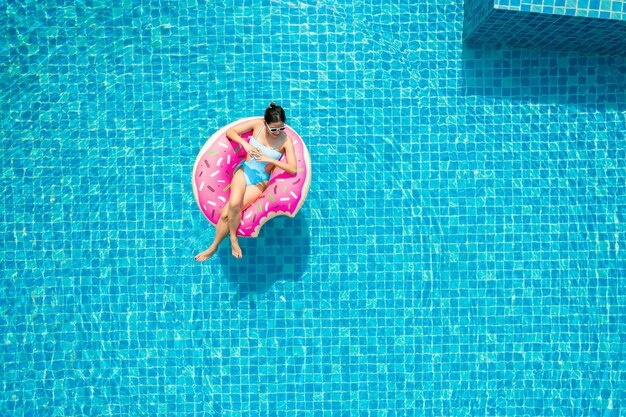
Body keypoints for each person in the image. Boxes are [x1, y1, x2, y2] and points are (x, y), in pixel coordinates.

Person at [195, 102, 297, 261]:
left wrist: (270, 159)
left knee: (225, 213)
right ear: (265, 123)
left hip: (260, 181)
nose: (277, 132)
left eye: (281, 128)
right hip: (244, 170)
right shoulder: (257, 126)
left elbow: (292, 168)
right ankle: (227, 241)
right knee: (234, 204)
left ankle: (219, 244)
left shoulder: (285, 141)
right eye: (274, 129)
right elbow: (231, 131)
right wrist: (245, 145)